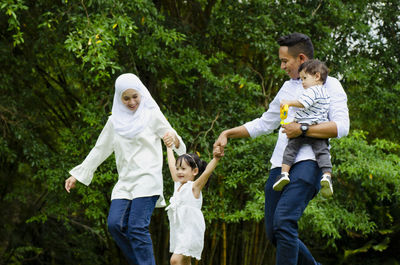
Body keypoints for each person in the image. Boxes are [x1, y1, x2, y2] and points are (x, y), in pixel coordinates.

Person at [213, 32, 349, 265]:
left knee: (285, 221)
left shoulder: (331, 85)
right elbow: (265, 123)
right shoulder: (286, 88)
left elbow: (341, 127)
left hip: (309, 162)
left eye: (285, 61)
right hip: (280, 165)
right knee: (275, 233)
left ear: (302, 59)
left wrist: (303, 129)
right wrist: (228, 133)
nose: (282, 66)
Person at [64, 73, 186, 265]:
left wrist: (173, 138)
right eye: (126, 98)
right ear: (119, 98)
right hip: (126, 182)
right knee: (114, 225)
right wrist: (77, 175)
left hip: (148, 179)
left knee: (136, 227)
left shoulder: (151, 114)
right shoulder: (114, 122)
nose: (131, 102)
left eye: (135, 96)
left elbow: (176, 140)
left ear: (141, 93)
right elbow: (100, 149)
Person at [273, 59, 333, 198]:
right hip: (318, 129)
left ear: (317, 76)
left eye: (304, 78)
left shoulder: (313, 90)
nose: (302, 82)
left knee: (290, 150)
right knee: (322, 153)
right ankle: (327, 176)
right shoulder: (325, 93)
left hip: (303, 128)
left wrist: (289, 102)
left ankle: (284, 174)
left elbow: (303, 103)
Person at [162, 132, 221, 265]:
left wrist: (216, 159)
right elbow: (171, 165)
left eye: (183, 169)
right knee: (185, 261)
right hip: (179, 230)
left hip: (190, 230)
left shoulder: (194, 187)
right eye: (178, 169)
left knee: (175, 260)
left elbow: (206, 173)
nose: (179, 172)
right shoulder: (177, 184)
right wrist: (169, 147)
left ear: (194, 171)